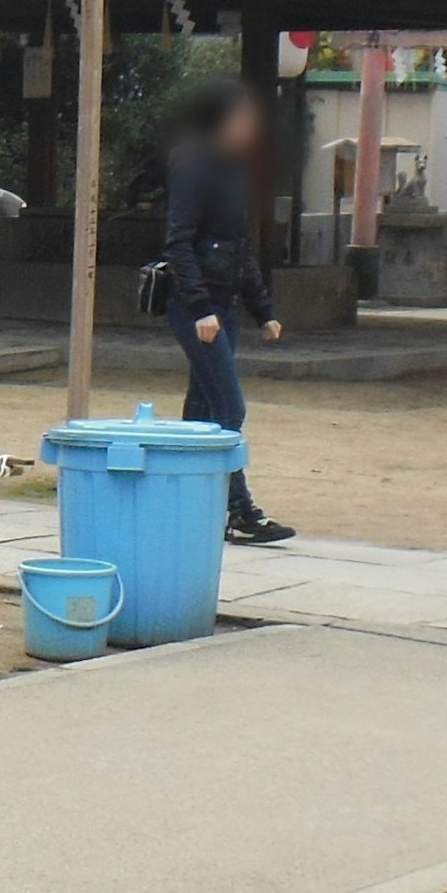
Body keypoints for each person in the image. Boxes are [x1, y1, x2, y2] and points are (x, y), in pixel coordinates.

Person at [158, 77, 295, 544]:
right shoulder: (193, 164)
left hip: (228, 303)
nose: (252, 126)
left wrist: (263, 308)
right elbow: (178, 243)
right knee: (228, 409)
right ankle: (240, 510)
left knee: (201, 412)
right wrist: (198, 309)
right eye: (244, 117)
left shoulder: (236, 169)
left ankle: (180, 503)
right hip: (197, 307)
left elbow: (240, 248)